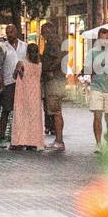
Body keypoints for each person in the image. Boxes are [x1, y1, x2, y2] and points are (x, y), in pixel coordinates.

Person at [86, 27, 108, 153]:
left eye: (106, 39)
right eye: (101, 39)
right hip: (96, 87)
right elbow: (87, 70)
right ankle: (98, 143)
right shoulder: (91, 53)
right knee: (97, 115)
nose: (104, 42)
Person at [11, 42, 46, 150]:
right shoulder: (39, 65)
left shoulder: (21, 63)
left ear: (27, 52)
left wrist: (18, 72)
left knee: (21, 116)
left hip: (23, 93)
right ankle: (33, 142)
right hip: (35, 93)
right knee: (34, 118)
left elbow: (14, 76)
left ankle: (20, 141)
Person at [40, 21, 66, 151]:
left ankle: (59, 140)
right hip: (57, 80)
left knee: (55, 111)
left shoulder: (53, 43)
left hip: (54, 81)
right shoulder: (56, 42)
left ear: (50, 31)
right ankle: (58, 139)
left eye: (44, 32)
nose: (43, 35)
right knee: (56, 111)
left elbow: (59, 58)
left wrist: (50, 69)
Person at [0, 22, 27, 143]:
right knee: (6, 109)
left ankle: (20, 134)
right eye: (8, 33)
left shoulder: (24, 45)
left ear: (16, 32)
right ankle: (2, 135)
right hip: (8, 81)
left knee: (21, 110)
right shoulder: (2, 47)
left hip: (22, 82)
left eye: (12, 32)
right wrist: (1, 84)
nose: (9, 35)